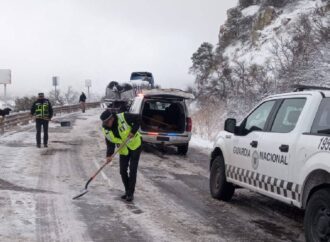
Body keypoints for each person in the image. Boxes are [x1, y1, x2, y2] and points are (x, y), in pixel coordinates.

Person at [100, 109, 142, 202]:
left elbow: (139, 118)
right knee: (122, 171)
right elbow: (110, 142)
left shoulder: (123, 117)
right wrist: (109, 155)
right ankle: (127, 191)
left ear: (112, 118)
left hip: (135, 145)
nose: (106, 124)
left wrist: (133, 131)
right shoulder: (106, 129)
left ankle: (130, 193)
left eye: (107, 122)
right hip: (123, 150)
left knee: (132, 170)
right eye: (105, 123)